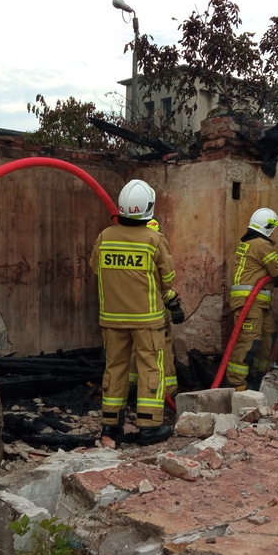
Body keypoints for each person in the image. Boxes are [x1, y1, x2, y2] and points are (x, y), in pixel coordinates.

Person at [89, 180, 181, 446]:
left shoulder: (105, 237)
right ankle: (149, 427)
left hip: (112, 318)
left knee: (114, 369)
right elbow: (168, 279)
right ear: (149, 208)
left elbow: (96, 269)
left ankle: (110, 426)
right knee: (150, 368)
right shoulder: (154, 239)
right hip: (147, 320)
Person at [225, 208, 278, 391]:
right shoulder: (261, 244)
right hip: (249, 304)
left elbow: (267, 277)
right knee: (249, 342)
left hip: (259, 304)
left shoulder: (251, 244)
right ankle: (236, 384)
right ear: (268, 227)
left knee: (267, 338)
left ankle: (258, 377)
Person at [124, 218, 182, 399]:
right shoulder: (156, 246)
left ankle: (133, 385)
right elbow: (161, 285)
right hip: (153, 315)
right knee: (162, 350)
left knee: (134, 349)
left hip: (128, 313)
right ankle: (167, 391)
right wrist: (174, 305)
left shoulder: (128, 250)